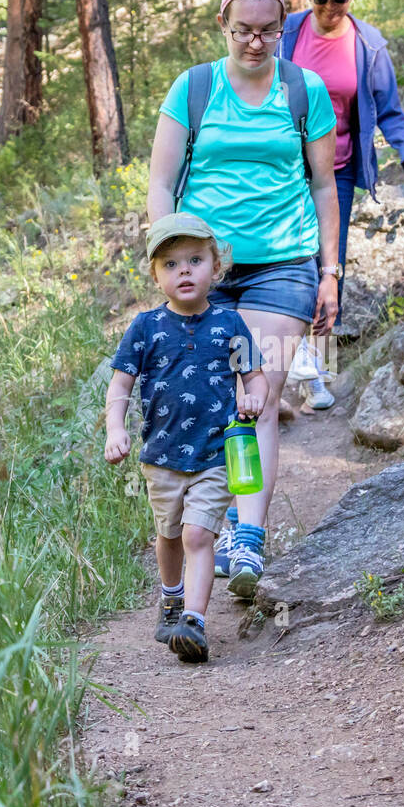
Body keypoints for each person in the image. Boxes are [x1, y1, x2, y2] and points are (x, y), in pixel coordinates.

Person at [146, 0, 340, 598]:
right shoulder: (194, 88)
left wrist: (330, 272)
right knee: (218, 399)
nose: (256, 43)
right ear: (223, 27)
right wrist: (168, 259)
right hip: (206, 272)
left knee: (259, 391)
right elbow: (161, 182)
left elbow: (323, 186)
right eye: (243, 32)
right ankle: (228, 518)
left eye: (268, 32)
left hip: (285, 264)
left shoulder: (305, 91)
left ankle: (249, 536)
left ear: (284, 27)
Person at [104, 212, 268, 663]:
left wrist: (253, 399)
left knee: (198, 535)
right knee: (169, 534)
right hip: (160, 456)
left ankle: (194, 621)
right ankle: (171, 597)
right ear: (156, 276)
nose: (184, 271)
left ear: (216, 267)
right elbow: (119, 387)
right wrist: (115, 431)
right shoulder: (145, 327)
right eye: (171, 264)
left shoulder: (230, 324)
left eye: (195, 260)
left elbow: (256, 379)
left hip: (216, 453)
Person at [279, 0, 404, 409]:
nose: (328, 9)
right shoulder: (286, 34)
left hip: (337, 169)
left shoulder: (368, 46)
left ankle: (318, 374)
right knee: (279, 260)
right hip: (281, 168)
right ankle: (278, 376)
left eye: (338, 0)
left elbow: (389, 110)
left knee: (329, 264)